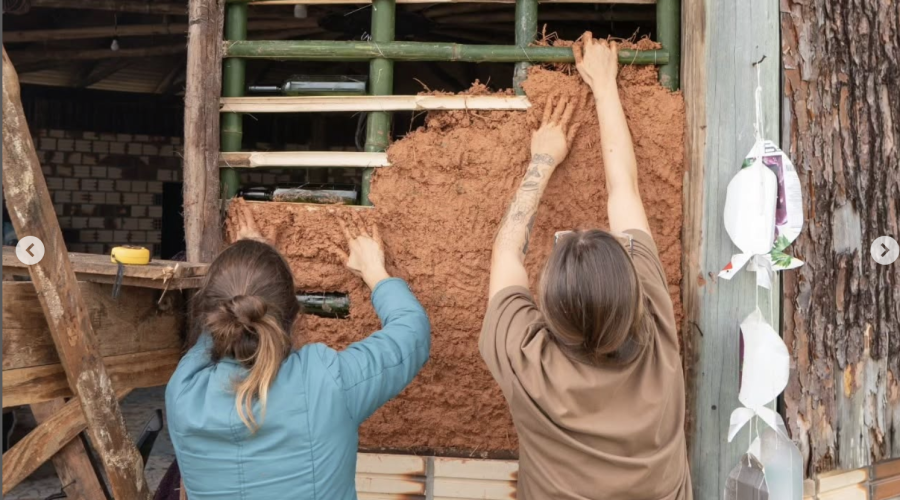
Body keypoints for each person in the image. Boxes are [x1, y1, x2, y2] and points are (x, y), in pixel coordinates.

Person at [480, 33, 691, 500]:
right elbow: (624, 192)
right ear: (634, 296)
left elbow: (506, 252)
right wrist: (605, 86)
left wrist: (542, 160)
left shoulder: (528, 365)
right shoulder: (657, 335)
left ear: (549, 314)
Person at [165, 208, 431, 500]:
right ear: (292, 312)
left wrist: (246, 272)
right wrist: (374, 272)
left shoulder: (182, 393)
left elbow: (213, 333)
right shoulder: (327, 383)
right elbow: (411, 332)